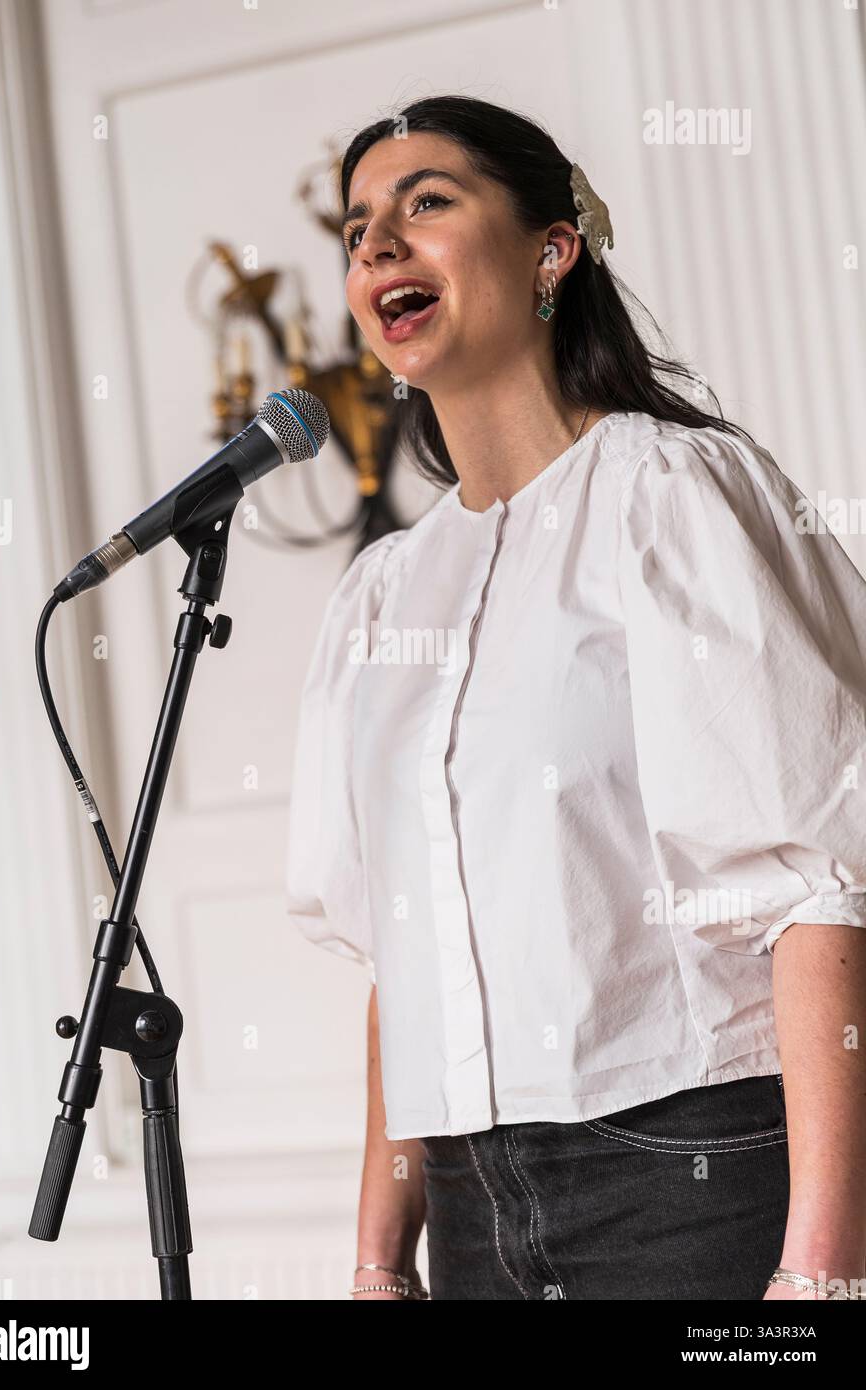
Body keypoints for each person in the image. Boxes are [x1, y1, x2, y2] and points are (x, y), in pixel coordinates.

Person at [285, 95, 866, 1301]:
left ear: (552, 250)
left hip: (690, 1176)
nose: (378, 245)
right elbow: (408, 953)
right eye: (355, 230)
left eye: (426, 203)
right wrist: (375, 1262)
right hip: (467, 1211)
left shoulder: (670, 496)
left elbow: (823, 887)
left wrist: (820, 1271)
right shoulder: (384, 596)